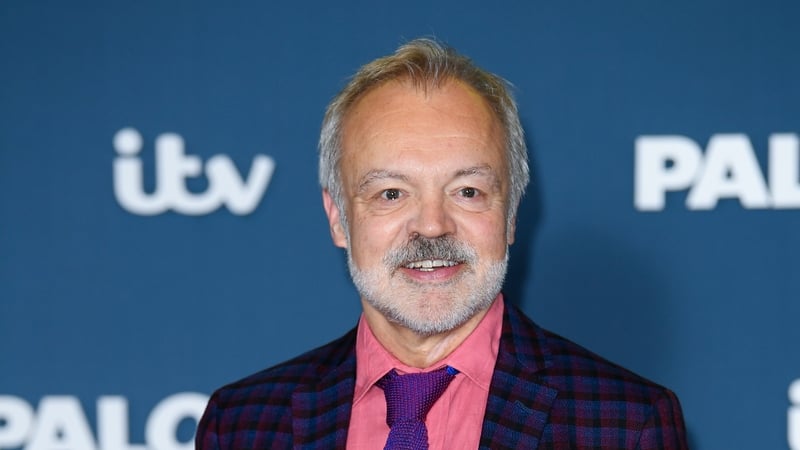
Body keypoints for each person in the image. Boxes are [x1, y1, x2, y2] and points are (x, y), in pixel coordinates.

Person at [196, 38, 688, 449]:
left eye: (467, 191)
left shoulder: (627, 425)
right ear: (339, 219)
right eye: (391, 193)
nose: (432, 226)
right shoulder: (240, 425)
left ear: (511, 213)